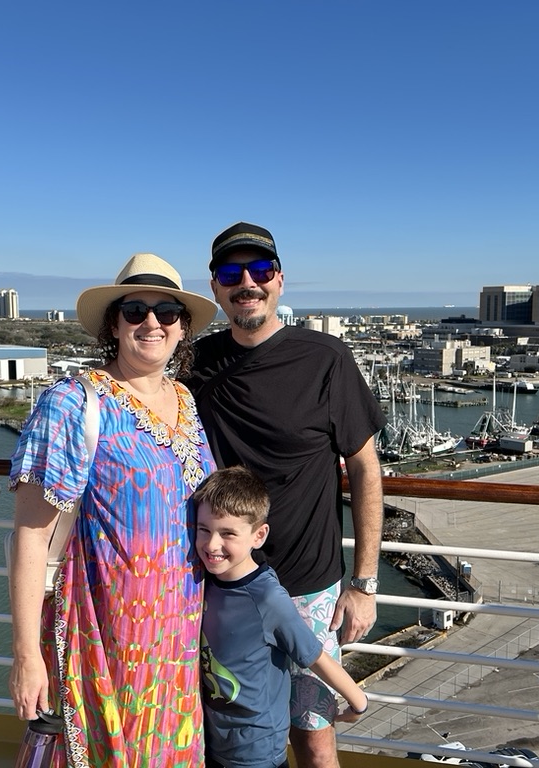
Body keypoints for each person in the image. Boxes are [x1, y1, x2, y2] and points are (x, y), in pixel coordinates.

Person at [186, 222, 387, 767]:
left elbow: (366, 470)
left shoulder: (326, 359)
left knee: (314, 740)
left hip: (308, 587)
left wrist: (364, 584)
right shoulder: (196, 364)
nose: (246, 283)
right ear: (214, 286)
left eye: (260, 271)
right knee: (224, 726)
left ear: (279, 281)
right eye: (231, 273)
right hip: (222, 582)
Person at [7, 252, 219, 767]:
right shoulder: (74, 403)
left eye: (167, 312)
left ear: (183, 327)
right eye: (135, 310)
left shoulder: (186, 401)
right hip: (105, 631)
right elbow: (30, 535)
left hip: (180, 633)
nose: (152, 322)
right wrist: (26, 656)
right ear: (114, 324)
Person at [194, 466, 369, 768]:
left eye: (228, 534)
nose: (212, 545)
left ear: (258, 535)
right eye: (204, 530)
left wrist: (358, 701)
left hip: (257, 753)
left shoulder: (268, 598)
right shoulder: (204, 580)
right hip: (211, 743)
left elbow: (314, 656)